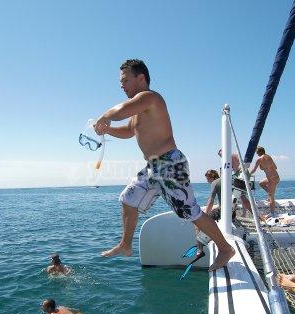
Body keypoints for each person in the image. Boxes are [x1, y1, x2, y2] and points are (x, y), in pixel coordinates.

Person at [93, 59, 234, 271]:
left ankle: (225, 249)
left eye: (125, 80)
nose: (122, 85)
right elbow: (129, 131)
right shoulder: (138, 110)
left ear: (141, 78)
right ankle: (126, 244)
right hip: (153, 167)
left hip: (170, 162)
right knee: (128, 198)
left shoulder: (150, 98)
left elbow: (120, 110)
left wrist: (104, 117)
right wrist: (107, 130)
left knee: (191, 211)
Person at [218, 149, 253, 217]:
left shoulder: (231, 156)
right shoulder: (229, 158)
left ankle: (251, 214)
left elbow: (237, 164)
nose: (221, 156)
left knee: (241, 195)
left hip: (241, 173)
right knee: (241, 195)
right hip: (239, 173)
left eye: (221, 154)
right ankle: (243, 213)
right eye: (220, 156)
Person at [249, 146, 280, 216]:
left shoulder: (259, 159)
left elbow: (254, 170)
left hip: (272, 179)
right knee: (261, 183)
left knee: (271, 196)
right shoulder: (268, 157)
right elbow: (275, 167)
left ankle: (272, 213)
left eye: (256, 152)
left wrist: (247, 174)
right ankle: (270, 194)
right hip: (276, 177)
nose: (256, 154)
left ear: (258, 152)